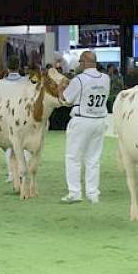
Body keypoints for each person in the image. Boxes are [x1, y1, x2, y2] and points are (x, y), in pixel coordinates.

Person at [61, 51, 110, 204]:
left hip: (82, 120)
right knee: (93, 159)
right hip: (99, 120)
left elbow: (66, 99)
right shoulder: (105, 78)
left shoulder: (79, 80)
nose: (79, 65)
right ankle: (92, 193)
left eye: (80, 62)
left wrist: (60, 89)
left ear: (85, 62)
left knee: (73, 157)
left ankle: (75, 192)